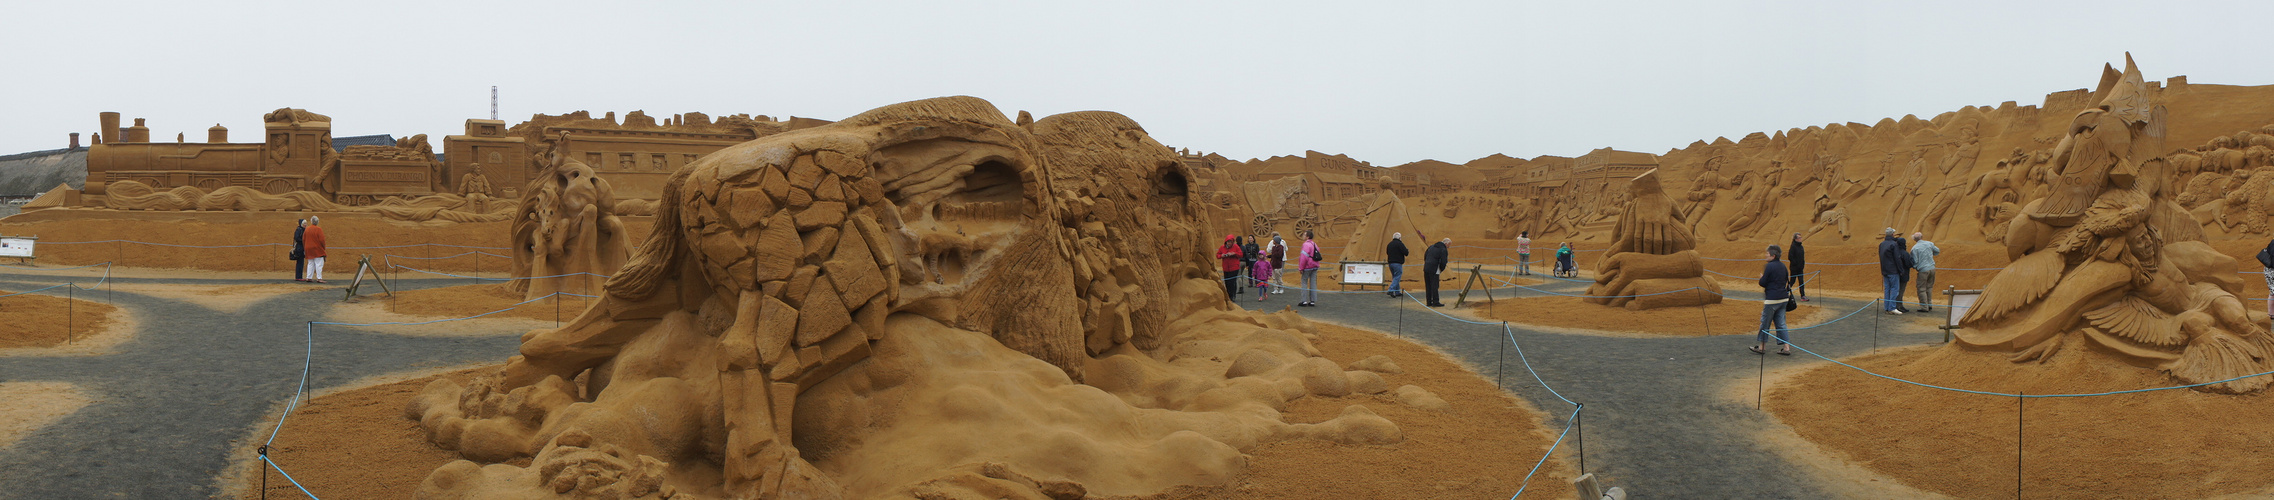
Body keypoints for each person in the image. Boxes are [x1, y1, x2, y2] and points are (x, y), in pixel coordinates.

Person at [1753, 244, 1793, 355]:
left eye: (1767, 253)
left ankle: (1762, 347)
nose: (1766, 255)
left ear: (1773, 255)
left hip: (1772, 299)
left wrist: (1761, 278)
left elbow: (1763, 283)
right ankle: (1786, 347)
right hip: (1783, 298)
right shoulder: (1783, 266)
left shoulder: (1769, 266)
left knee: (1765, 323)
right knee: (1781, 323)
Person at [1877, 228, 1907, 314]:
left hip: (1885, 270)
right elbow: (1897, 258)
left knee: (1887, 289)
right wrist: (1901, 270)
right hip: (1893, 270)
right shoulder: (1894, 244)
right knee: (1894, 289)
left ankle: (1887, 307)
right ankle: (1892, 308)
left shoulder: (1882, 244)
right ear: (1893, 234)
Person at [1910, 232, 1942, 312]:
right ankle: (1929, 304)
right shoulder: (1929, 244)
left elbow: (1915, 261)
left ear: (1914, 239)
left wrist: (1915, 267)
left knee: (1921, 288)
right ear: (1922, 237)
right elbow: (1937, 251)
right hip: (1932, 268)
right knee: (1929, 287)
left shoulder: (1915, 248)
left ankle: (1924, 307)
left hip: (1923, 270)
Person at [1297, 231, 1323, 307]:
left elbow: (1303, 257)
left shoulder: (1305, 245)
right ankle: (1312, 301)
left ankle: (1304, 300)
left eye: (1304, 234)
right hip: (1315, 266)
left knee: (1304, 282)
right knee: (1313, 283)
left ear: (1307, 237)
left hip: (1308, 266)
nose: (1303, 235)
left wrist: (1301, 268)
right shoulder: (1314, 244)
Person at [1423, 237, 1450, 307]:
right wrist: (1441, 269)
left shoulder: (1431, 247)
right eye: (1449, 245)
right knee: (1435, 286)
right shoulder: (1443, 249)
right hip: (1434, 268)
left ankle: (1429, 302)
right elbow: (1444, 262)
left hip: (1426, 268)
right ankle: (1435, 301)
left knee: (1428, 285)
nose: (1449, 247)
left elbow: (1425, 256)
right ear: (1446, 243)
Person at [303, 216, 329, 284]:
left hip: (308, 248)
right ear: (317, 222)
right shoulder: (318, 229)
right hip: (317, 249)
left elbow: (304, 239)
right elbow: (322, 240)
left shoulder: (307, 229)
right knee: (319, 264)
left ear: (311, 221)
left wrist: (305, 246)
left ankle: (309, 277)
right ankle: (319, 278)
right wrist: (323, 247)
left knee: (310, 263)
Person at [1216, 235, 1242, 300]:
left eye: (1230, 242)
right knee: (1227, 282)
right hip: (1226, 268)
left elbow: (1241, 254)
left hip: (1234, 268)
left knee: (1232, 282)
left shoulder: (1236, 246)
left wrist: (1234, 253)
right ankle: (1228, 295)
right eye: (1228, 242)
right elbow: (1217, 255)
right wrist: (1222, 255)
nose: (1229, 243)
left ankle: (1233, 296)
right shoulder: (1222, 247)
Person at [1385, 232, 1409, 297]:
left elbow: (1387, 252)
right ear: (1399, 238)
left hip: (1390, 263)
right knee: (1397, 276)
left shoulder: (1389, 244)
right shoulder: (1400, 244)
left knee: (1395, 277)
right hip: (1397, 263)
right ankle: (1391, 289)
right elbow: (1406, 252)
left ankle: (1396, 291)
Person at [1787, 232, 1808, 302]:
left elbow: (1802, 257)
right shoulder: (1793, 246)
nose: (1800, 239)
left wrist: (1802, 264)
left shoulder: (1801, 246)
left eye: (1800, 237)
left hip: (1800, 268)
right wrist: (1795, 264)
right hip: (1794, 268)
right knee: (1792, 281)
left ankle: (1803, 296)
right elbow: (1790, 257)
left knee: (1801, 281)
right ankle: (1785, 293)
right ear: (1795, 239)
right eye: (1799, 237)